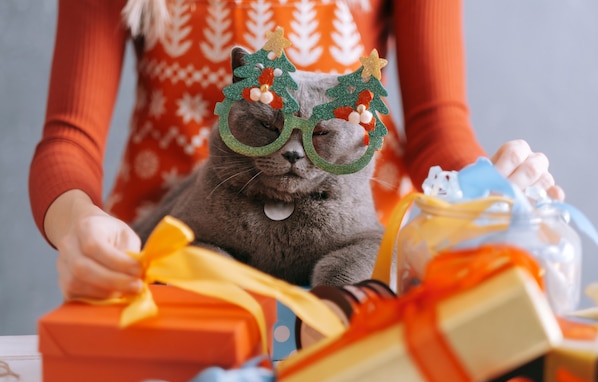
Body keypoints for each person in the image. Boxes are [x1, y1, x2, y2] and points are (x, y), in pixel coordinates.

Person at [29, 0, 564, 301]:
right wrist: (79, 223)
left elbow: (436, 125)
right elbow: (68, 138)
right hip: (167, 265)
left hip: (352, 267)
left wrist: (482, 184)